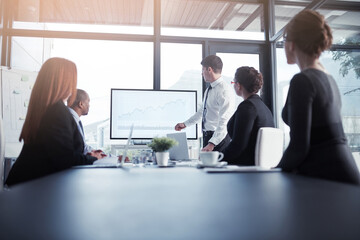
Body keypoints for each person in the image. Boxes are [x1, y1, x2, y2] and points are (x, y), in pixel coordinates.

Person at [276, 10, 360, 185]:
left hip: (331, 179)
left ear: (291, 44)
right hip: (342, 173)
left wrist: (274, 173)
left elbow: (299, 147)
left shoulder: (303, 80)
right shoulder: (327, 78)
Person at [6, 58, 104, 186]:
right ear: (63, 82)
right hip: (31, 187)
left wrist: (87, 155)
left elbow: (59, 152)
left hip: (26, 184)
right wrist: (93, 158)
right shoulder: (57, 111)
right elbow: (65, 159)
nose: (73, 87)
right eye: (72, 81)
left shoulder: (47, 108)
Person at [175, 55, 234, 152]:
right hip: (208, 137)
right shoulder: (209, 90)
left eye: (203, 70)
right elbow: (202, 112)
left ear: (209, 69)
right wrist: (185, 124)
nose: (202, 74)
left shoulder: (224, 90)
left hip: (218, 139)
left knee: (217, 167)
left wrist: (212, 143)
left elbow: (224, 121)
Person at [221, 66, 274, 165]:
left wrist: (216, 158)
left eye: (233, 83)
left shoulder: (247, 107)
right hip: (256, 168)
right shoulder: (264, 108)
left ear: (238, 85)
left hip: (244, 168)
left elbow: (238, 146)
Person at [68, 89, 96, 154]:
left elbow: (83, 147)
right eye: (88, 102)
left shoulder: (75, 120)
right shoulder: (69, 120)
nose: (89, 105)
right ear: (81, 104)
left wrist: (103, 155)